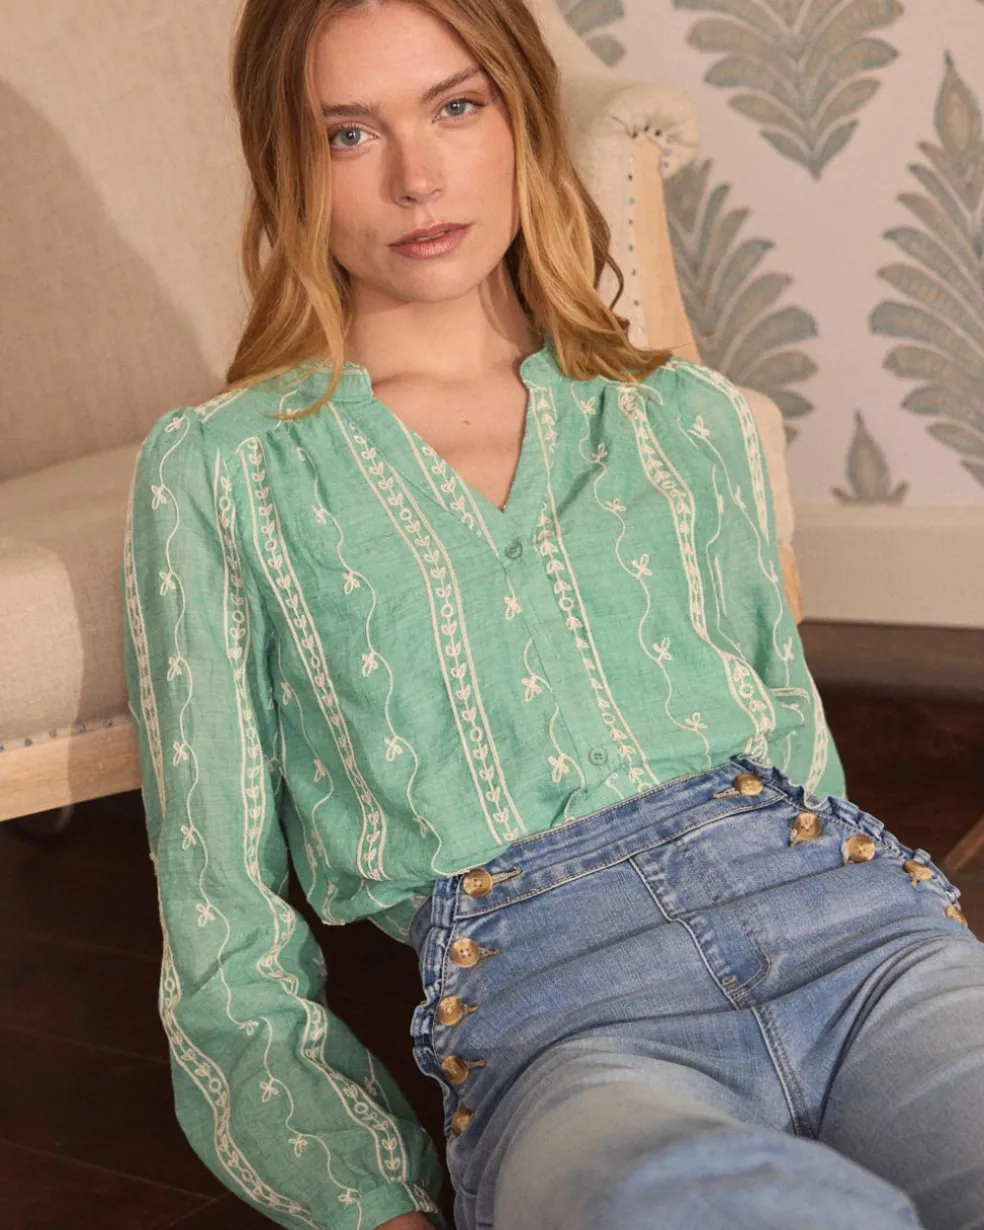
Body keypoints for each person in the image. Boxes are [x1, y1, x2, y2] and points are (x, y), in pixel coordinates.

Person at [120, 1, 984, 1228]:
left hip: (862, 946)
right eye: (349, 133)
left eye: (455, 106)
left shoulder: (685, 416)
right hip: (564, 1025)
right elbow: (222, 927)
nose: (418, 178)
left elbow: (797, 752)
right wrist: (364, 1194)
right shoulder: (225, 467)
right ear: (286, 163)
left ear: (522, 112)